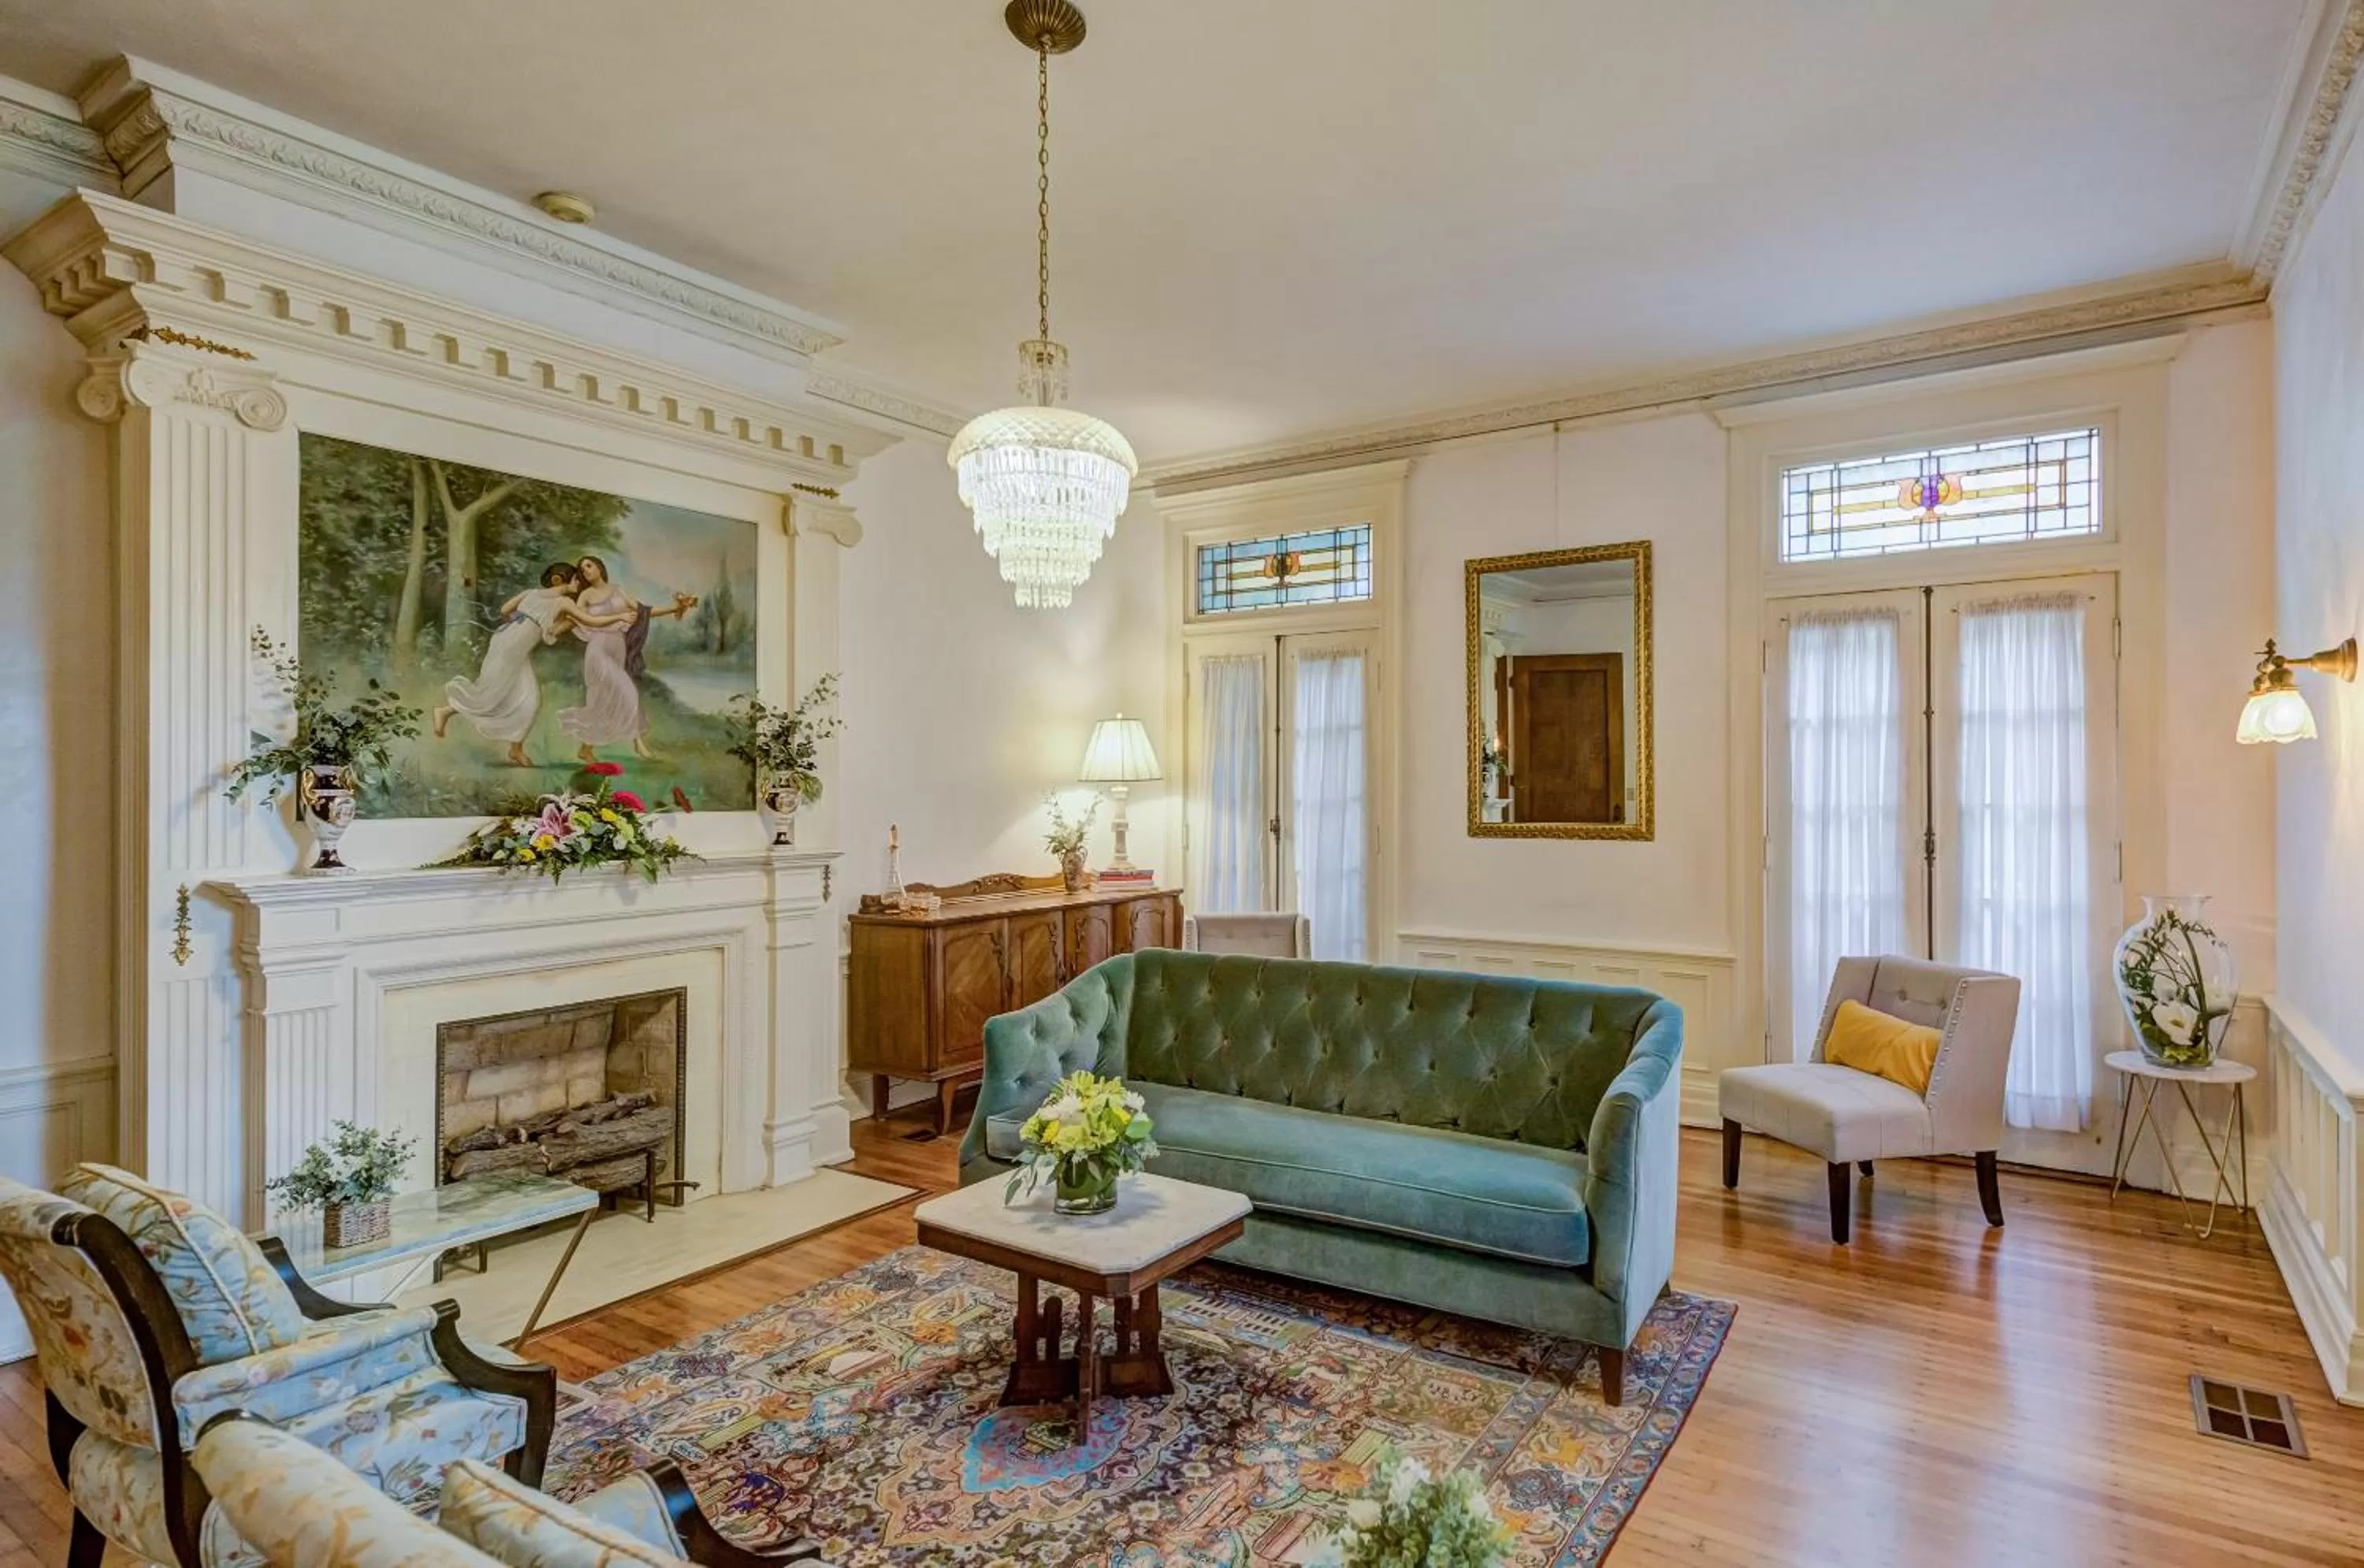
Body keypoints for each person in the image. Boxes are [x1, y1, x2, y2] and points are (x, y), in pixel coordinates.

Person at [433, 563, 631, 767]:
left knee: (530, 699)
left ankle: (515, 749)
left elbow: (505, 610)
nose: (579, 585)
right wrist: (619, 616)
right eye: (576, 580)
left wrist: (520, 625)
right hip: (510, 650)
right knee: (491, 693)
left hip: (510, 645)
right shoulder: (563, 602)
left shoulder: (531, 594)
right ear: (557, 579)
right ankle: (445, 711)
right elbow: (590, 620)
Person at [557, 553, 696, 763]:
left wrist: (674, 608)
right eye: (582, 568)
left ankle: (586, 748)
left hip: (618, 647)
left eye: (589, 565)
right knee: (627, 691)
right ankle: (638, 742)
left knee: (602, 700)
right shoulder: (585, 595)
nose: (585, 570)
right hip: (599, 648)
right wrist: (554, 626)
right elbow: (577, 619)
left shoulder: (618, 590)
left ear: (600, 567)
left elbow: (642, 612)